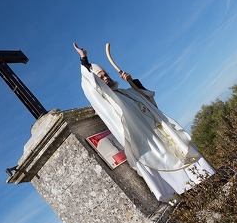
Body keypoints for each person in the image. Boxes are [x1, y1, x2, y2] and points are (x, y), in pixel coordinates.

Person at [73, 42, 215, 203]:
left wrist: (132, 82)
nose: (106, 77)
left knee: (181, 150)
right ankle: (184, 195)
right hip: (146, 140)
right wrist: (84, 59)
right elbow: (90, 85)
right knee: (161, 162)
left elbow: (149, 99)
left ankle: (205, 180)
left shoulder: (126, 92)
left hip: (161, 131)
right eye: (102, 77)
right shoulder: (110, 101)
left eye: (106, 74)